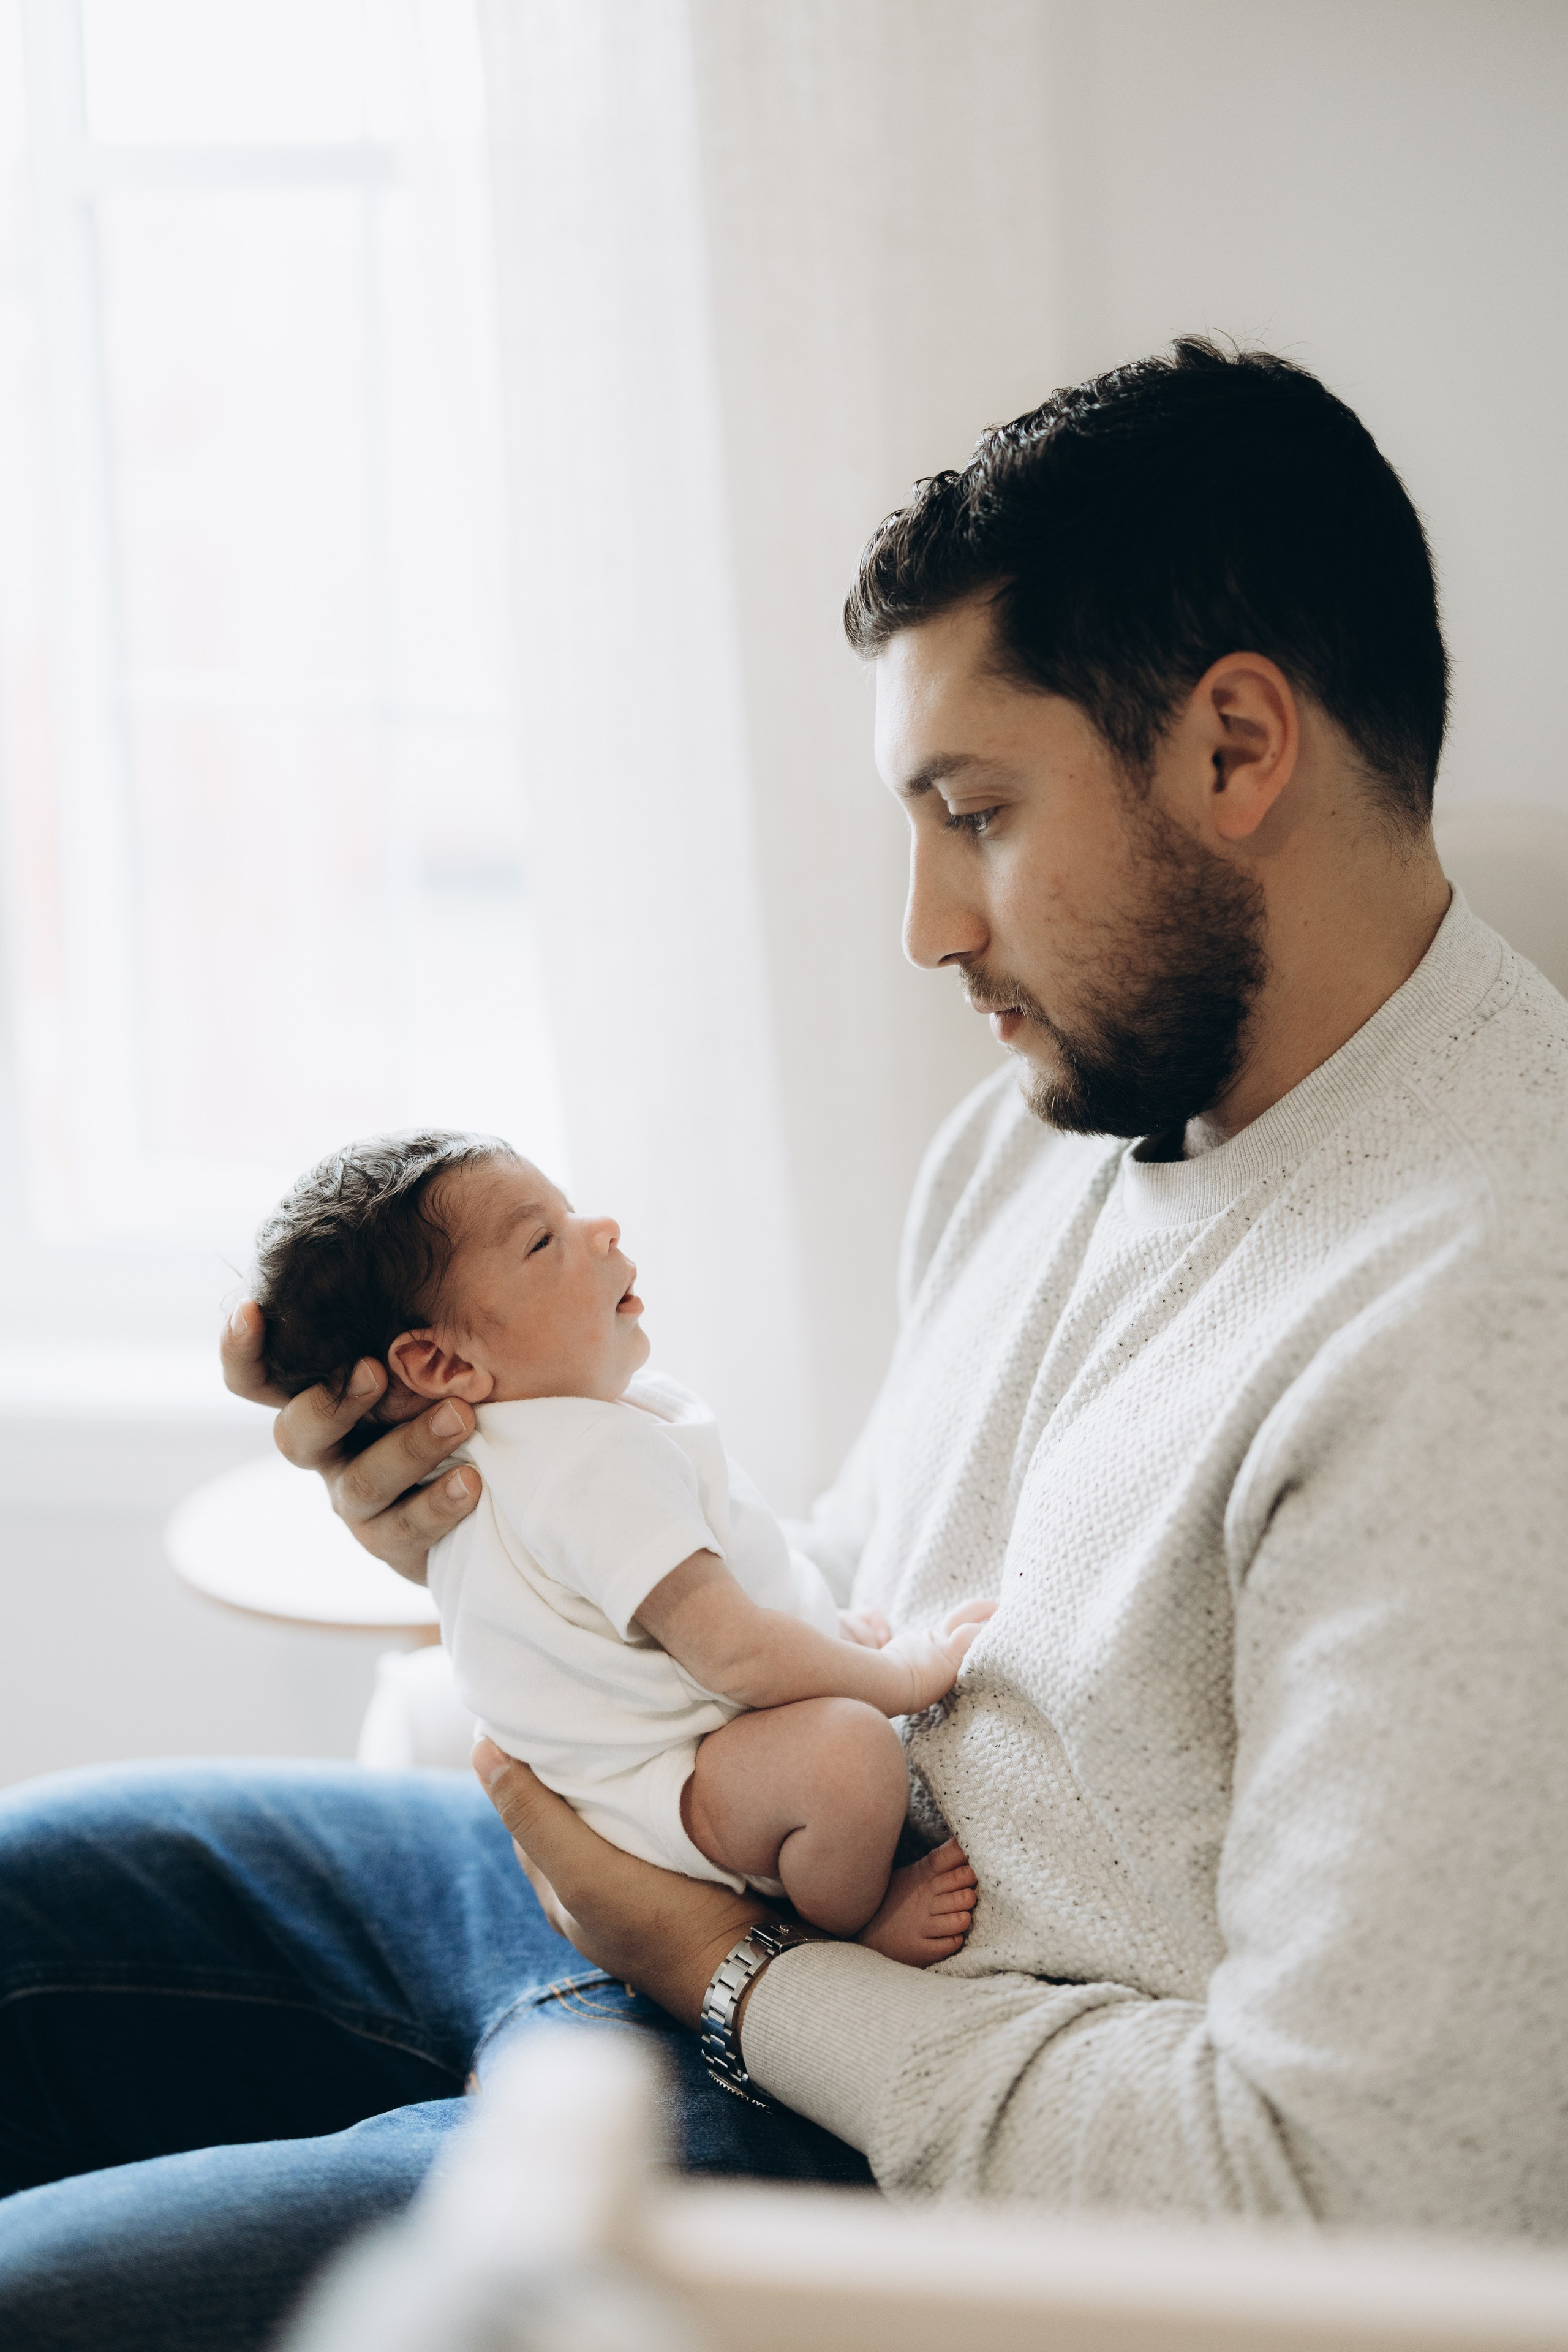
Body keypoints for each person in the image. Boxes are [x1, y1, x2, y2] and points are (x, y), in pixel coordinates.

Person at [2, 337, 1565, 2352]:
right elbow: (870, 1588)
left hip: (851, 2144)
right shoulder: (1060, 1121)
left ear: (1236, 751)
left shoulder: (1484, 1328)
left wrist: (739, 1985)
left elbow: (1356, 2210)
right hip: (679, 1897)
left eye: (978, 813)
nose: (927, 925)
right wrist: (515, 1550)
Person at [251, 1129, 987, 1958]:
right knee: (850, 1756)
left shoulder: (536, 1434)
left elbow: (719, 1583)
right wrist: (903, 1675)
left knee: (823, 1649)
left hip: (652, 1761)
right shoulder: (583, 1461)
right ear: (441, 1363)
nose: (602, 1229)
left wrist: (819, 1637)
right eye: (543, 1240)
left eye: (569, 1212)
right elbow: (736, 1656)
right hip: (664, 1789)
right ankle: (851, 1927)